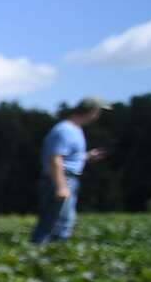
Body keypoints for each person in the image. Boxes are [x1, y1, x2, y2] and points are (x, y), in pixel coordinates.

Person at [32, 96, 108, 244]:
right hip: (61, 178)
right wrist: (61, 187)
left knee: (64, 222)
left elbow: (67, 157)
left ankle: (52, 256)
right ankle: (40, 253)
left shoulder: (75, 130)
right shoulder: (64, 130)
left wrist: (86, 156)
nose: (98, 115)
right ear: (91, 111)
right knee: (55, 223)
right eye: (98, 111)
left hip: (68, 178)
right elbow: (55, 158)